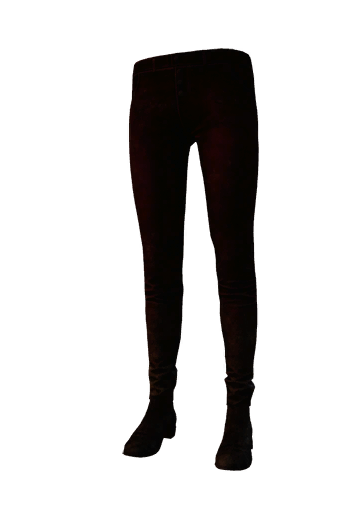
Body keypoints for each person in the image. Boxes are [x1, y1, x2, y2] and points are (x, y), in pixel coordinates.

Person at [123, 47, 259, 471]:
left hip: (222, 76)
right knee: (157, 268)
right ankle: (160, 404)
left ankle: (238, 416)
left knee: (233, 264)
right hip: (149, 81)